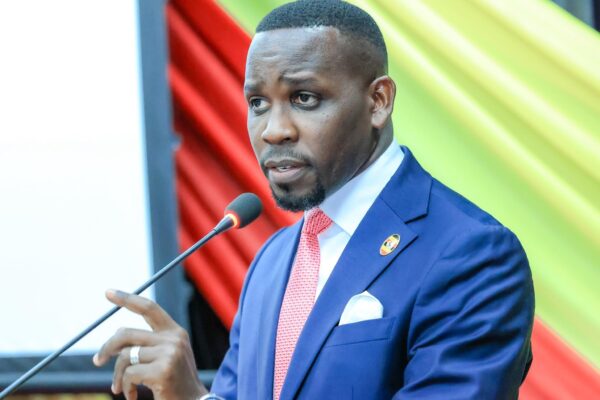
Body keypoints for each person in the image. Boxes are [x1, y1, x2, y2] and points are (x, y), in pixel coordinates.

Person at [93, 1, 535, 399]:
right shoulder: (271, 262)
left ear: (378, 101)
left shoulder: (471, 253)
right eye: (258, 102)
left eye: (304, 98)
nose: (273, 130)